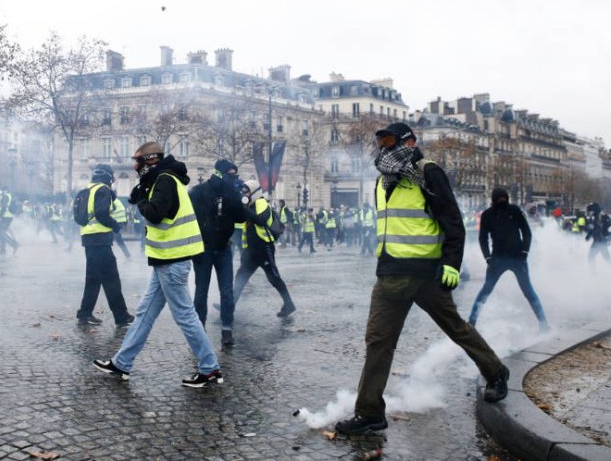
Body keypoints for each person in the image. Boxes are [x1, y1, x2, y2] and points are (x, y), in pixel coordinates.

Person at [336, 123, 509, 435]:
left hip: (426, 274)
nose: (385, 149)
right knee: (378, 343)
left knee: (455, 328)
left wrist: (452, 264)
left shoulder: (428, 172)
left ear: (410, 142)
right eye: (381, 143)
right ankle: (370, 412)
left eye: (391, 142)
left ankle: (496, 372)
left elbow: (453, 221)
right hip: (389, 274)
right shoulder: (381, 181)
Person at [93, 142, 222, 387]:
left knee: (185, 316)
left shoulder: (165, 180)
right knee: (144, 313)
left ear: (150, 160)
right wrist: (142, 188)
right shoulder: (162, 178)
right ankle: (122, 363)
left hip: (172, 260)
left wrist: (142, 197)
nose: (134, 166)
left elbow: (154, 213)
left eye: (138, 161)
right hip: (166, 259)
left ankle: (210, 369)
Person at [468, 188, 549, 331]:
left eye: (504, 199)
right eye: (500, 199)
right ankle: (471, 323)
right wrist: (488, 257)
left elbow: (526, 232)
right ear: (494, 200)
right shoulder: (487, 215)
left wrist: (524, 252)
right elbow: (482, 238)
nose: (502, 202)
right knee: (485, 291)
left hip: (518, 258)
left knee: (528, 291)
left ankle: (544, 324)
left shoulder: (515, 211)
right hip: (497, 259)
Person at [189, 159, 247, 347]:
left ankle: (227, 330)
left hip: (223, 248)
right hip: (203, 249)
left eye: (236, 176)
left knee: (227, 292)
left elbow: (241, 216)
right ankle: (200, 330)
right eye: (232, 175)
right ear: (221, 174)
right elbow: (191, 220)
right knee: (201, 292)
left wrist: (236, 197)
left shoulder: (230, 192)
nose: (234, 179)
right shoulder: (199, 192)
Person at [75, 164, 134, 327]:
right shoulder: (103, 190)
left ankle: (84, 314)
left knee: (93, 279)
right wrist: (115, 226)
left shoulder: (86, 189)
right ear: (107, 176)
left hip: (88, 238)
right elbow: (101, 213)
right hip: (100, 239)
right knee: (111, 279)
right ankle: (121, 316)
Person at [232, 179, 296, 317]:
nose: (244, 193)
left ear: (254, 192)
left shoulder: (262, 203)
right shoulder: (250, 205)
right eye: (243, 191)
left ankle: (289, 304)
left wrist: (244, 209)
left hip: (264, 248)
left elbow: (260, 220)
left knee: (274, 278)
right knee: (240, 277)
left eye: (247, 191)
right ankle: (229, 306)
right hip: (251, 250)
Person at [0, 186, 19, 255]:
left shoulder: (5, 196)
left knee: (1, 231)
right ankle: (2, 249)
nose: (1, 192)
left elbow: (3, 207)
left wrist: (0, 216)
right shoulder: (10, 196)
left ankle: (14, 244)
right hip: (9, 216)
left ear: (5, 191)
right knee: (2, 231)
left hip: (5, 216)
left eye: (2, 190)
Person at [110, 195, 132, 260]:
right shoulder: (116, 200)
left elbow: (109, 211)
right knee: (118, 240)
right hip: (120, 222)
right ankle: (127, 255)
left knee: (113, 239)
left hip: (117, 222)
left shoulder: (110, 201)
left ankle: (127, 255)